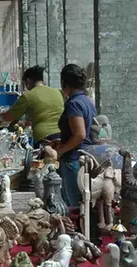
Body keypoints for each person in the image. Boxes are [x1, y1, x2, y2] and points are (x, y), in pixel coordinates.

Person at [54, 63, 97, 209]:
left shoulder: (74, 104)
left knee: (73, 206)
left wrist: (61, 150)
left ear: (64, 83)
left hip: (74, 159)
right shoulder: (87, 101)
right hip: (84, 155)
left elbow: (79, 135)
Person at [0, 65, 64, 143]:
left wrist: (0, 118)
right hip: (63, 135)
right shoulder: (57, 92)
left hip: (44, 137)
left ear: (28, 81)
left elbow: (10, 116)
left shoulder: (28, 95)